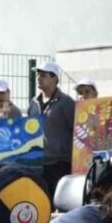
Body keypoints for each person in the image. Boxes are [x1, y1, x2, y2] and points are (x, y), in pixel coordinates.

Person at [28, 61, 76, 197]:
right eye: (38, 74)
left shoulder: (67, 103)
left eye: (43, 75)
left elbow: (75, 131)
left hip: (59, 164)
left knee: (58, 201)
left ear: (55, 78)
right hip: (38, 163)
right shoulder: (33, 103)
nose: (38, 78)